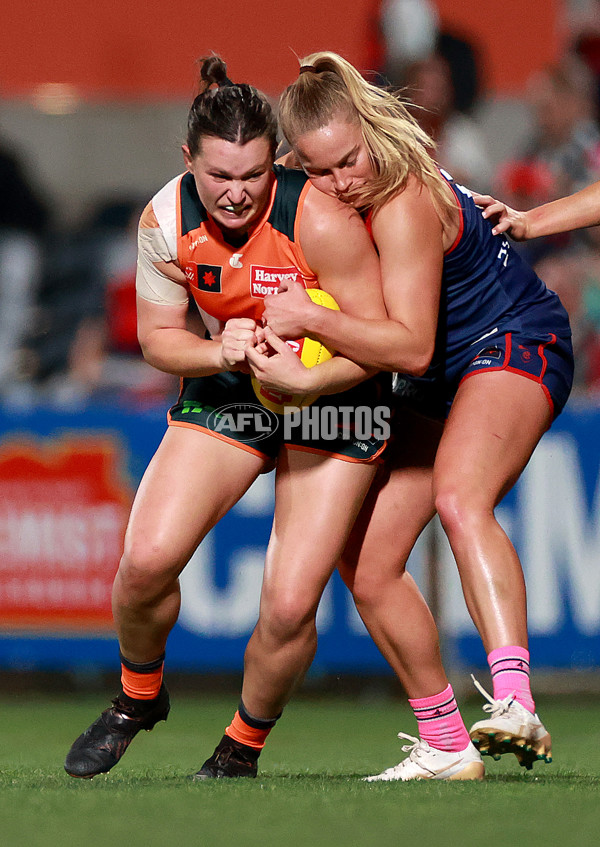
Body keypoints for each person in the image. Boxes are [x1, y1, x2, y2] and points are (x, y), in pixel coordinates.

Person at [63, 55, 395, 781]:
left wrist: (307, 382)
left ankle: (240, 747)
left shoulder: (321, 218)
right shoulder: (163, 220)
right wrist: (220, 351)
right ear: (189, 161)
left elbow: (381, 343)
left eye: (252, 176)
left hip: (338, 391)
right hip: (234, 384)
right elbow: (157, 340)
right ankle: (136, 697)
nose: (237, 194)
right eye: (219, 177)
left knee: (288, 600)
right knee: (144, 561)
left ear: (274, 159)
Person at [250, 51, 574, 779]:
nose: (341, 181)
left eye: (349, 160)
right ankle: (447, 743)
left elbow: (409, 342)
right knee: (366, 565)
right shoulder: (333, 201)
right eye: (321, 170)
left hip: (514, 338)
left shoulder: (401, 200)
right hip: (439, 374)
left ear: (371, 128)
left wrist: (307, 321)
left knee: (463, 497)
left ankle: (517, 699)